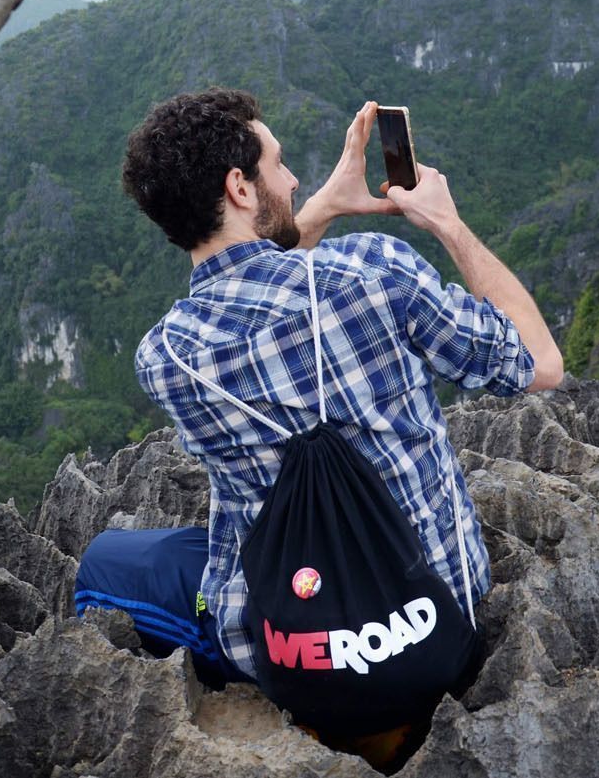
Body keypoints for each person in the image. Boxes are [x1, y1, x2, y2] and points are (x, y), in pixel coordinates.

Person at [76, 88, 562, 710]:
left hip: (295, 660)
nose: (296, 177)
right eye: (279, 165)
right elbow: (541, 364)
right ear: (240, 188)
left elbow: (254, 299)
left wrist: (325, 205)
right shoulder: (374, 273)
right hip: (441, 635)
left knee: (105, 563)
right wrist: (447, 223)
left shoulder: (165, 359)